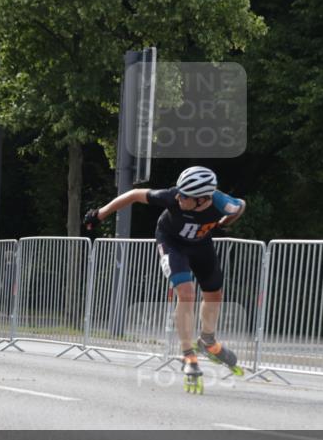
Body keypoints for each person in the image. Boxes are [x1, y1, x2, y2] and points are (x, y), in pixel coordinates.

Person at [83, 166, 246, 394]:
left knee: (214, 293)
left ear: (202, 199)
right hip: (171, 243)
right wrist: (99, 214)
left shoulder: (223, 203)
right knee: (186, 293)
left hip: (200, 245)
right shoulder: (171, 196)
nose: (179, 198)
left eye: (185, 196)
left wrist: (225, 222)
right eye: (179, 193)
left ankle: (207, 341)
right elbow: (134, 195)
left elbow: (240, 207)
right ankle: (188, 355)